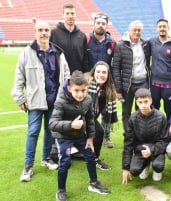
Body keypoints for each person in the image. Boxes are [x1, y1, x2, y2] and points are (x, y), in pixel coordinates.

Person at [11, 21, 70, 182]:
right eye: (40, 30)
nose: (43, 33)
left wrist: (64, 96)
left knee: (51, 131)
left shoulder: (58, 52)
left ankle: (46, 158)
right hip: (35, 101)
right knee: (33, 132)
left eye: (46, 30)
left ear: (50, 32)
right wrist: (19, 97)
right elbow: (19, 77)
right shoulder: (27, 53)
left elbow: (66, 76)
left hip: (54, 100)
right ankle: (28, 166)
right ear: (35, 32)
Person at [49, 70, 111, 201]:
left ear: (87, 88)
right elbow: (52, 124)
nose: (80, 94)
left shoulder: (87, 99)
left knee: (90, 155)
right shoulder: (61, 101)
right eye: (76, 90)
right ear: (70, 88)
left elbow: (90, 119)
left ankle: (94, 184)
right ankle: (61, 190)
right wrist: (71, 124)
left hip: (80, 135)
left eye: (83, 90)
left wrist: (90, 138)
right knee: (64, 163)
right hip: (63, 136)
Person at [122, 88, 169, 184]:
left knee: (158, 166)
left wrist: (151, 150)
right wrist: (126, 168)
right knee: (134, 171)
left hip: (156, 149)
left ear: (151, 100)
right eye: (140, 102)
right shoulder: (133, 118)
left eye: (146, 101)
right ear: (137, 103)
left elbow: (165, 140)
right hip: (141, 150)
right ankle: (145, 164)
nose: (143, 105)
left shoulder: (161, 117)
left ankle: (156, 169)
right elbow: (128, 143)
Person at [112, 20, 151, 131]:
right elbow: (116, 68)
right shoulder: (121, 45)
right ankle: (128, 135)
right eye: (135, 30)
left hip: (143, 83)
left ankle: (139, 133)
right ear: (129, 30)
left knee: (142, 110)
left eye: (139, 30)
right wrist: (118, 89)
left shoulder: (145, 44)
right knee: (126, 112)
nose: (137, 32)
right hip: (127, 84)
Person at [87, 12, 116, 148]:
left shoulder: (112, 43)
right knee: (90, 110)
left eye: (103, 23)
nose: (100, 25)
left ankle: (106, 136)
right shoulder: (86, 40)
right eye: (98, 23)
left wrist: (114, 84)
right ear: (94, 25)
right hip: (91, 83)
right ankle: (89, 136)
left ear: (106, 26)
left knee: (106, 111)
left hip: (106, 82)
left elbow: (115, 65)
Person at [86, 61, 118, 170]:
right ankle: (94, 158)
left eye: (104, 72)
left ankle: (93, 157)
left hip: (91, 117)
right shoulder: (87, 84)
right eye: (98, 71)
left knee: (98, 131)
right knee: (98, 131)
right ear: (93, 73)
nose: (101, 75)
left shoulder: (108, 89)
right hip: (79, 115)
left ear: (108, 75)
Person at [148, 18, 171, 120]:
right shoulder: (151, 42)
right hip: (154, 83)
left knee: (169, 110)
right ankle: (156, 130)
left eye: (164, 26)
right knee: (154, 109)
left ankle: (170, 132)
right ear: (156, 29)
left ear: (168, 28)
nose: (162, 28)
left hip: (169, 83)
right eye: (160, 27)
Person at [50, 3, 88, 73]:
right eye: (67, 13)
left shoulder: (82, 36)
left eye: (72, 13)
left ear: (76, 15)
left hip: (76, 77)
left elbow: (85, 59)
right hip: (58, 76)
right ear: (62, 15)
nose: (70, 16)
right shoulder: (53, 33)